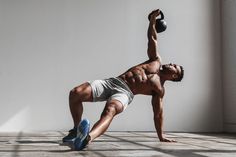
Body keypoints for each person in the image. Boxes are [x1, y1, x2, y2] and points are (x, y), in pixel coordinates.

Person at [62, 9, 184, 150]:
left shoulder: (159, 89)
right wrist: (152, 20)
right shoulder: (156, 61)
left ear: (174, 76)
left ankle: (86, 139)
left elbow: (158, 114)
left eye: (175, 67)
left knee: (110, 111)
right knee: (75, 93)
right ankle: (77, 130)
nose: (172, 64)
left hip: (125, 94)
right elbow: (152, 38)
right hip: (113, 82)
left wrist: (161, 136)